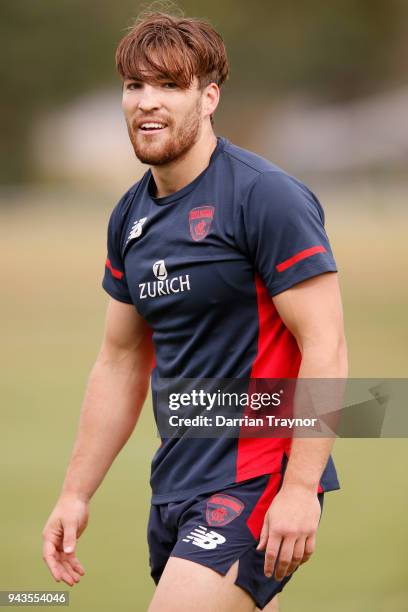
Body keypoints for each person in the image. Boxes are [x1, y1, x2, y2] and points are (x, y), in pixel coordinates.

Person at [42, 9, 348, 611]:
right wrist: (75, 493)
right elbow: (121, 360)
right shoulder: (129, 219)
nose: (147, 103)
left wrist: (300, 488)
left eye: (170, 85)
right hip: (177, 481)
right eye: (135, 85)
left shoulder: (265, 196)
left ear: (209, 97)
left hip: (256, 479)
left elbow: (327, 345)